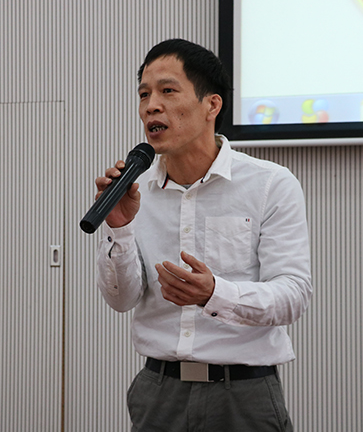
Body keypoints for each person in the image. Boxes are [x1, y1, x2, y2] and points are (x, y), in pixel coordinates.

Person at [94, 38, 311, 431]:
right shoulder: (135, 192)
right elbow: (121, 300)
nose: (151, 106)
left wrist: (215, 294)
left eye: (167, 91)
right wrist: (120, 228)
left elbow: (293, 296)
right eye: (144, 94)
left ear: (212, 105)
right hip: (158, 391)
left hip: (243, 394)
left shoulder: (270, 185)